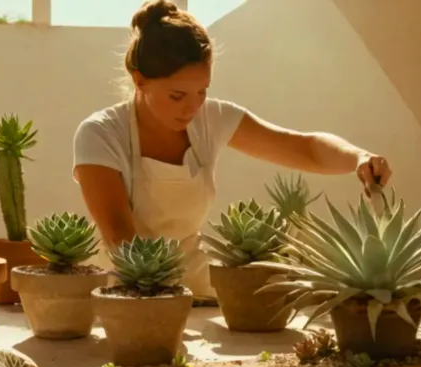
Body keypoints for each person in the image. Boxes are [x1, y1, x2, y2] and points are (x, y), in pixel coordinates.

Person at [72, 0, 392, 302]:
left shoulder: (212, 119)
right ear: (139, 80)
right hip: (128, 298)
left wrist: (358, 158)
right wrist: (161, 307)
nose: (192, 106)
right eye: (177, 95)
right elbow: (119, 235)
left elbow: (305, 148)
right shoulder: (100, 134)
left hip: (199, 289)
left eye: (202, 91)